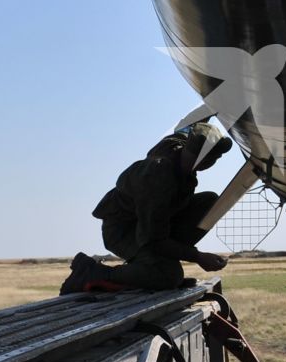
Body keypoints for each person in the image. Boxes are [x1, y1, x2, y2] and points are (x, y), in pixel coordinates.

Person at [64, 120, 233, 293]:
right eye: (215, 158)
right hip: (122, 231)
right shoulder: (158, 180)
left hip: (147, 223)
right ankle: (94, 272)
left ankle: (153, 267)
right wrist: (197, 257)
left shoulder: (177, 145)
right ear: (206, 161)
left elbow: (188, 129)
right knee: (169, 276)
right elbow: (153, 239)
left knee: (210, 203)